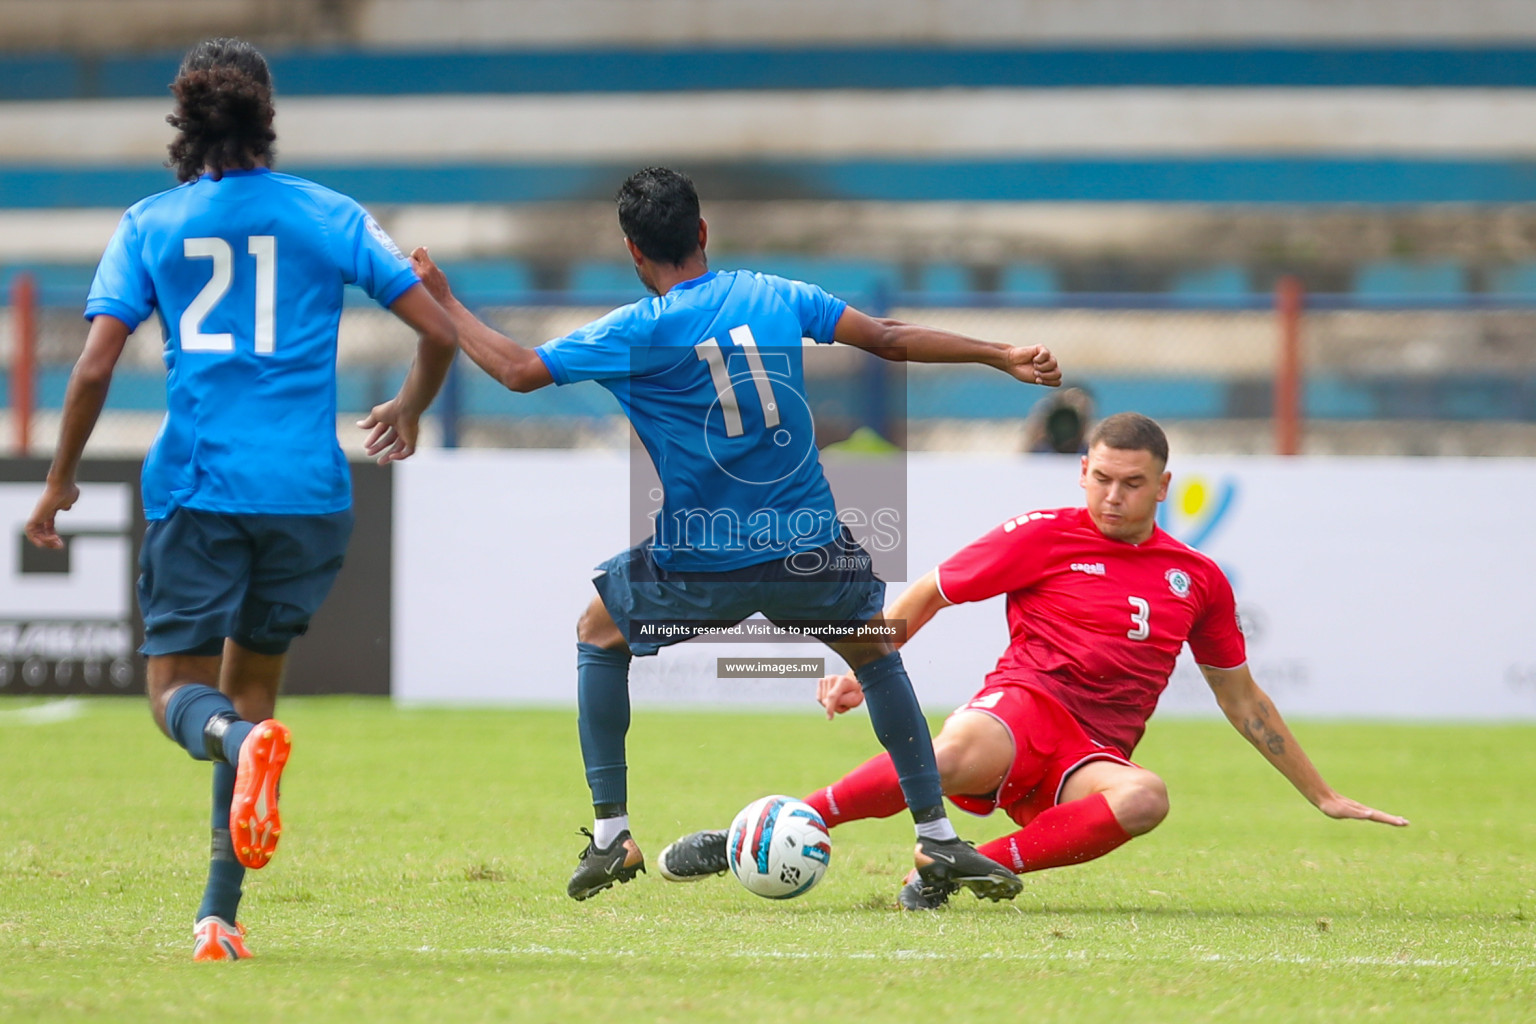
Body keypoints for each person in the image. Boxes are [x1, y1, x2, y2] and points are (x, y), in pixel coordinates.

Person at [408, 166, 1063, 903]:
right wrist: (998, 354)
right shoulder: (775, 294)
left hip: (704, 556)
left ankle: (611, 836)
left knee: (598, 632)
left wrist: (446, 302)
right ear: (702, 232)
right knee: (875, 653)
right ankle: (938, 839)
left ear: (633, 251)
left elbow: (518, 370)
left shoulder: (635, 329)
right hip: (811, 549)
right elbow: (886, 337)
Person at [24, 38, 457, 959]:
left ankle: (227, 745)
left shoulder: (150, 223)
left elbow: (96, 365)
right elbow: (440, 326)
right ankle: (218, 915)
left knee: (179, 694)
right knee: (254, 691)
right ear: (267, 116)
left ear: (185, 122)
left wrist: (60, 477)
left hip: (200, 487)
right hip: (308, 493)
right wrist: (411, 408)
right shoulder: (329, 214)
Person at [657, 412, 1408, 909]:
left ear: (1163, 487)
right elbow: (929, 594)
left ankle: (960, 863)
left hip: (1091, 751)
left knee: (1147, 799)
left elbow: (1244, 702)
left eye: (1133, 483)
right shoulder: (1042, 533)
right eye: (1101, 478)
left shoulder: (1198, 579)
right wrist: (862, 669)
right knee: (955, 752)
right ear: (1083, 471)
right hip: (1024, 702)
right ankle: (747, 838)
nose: (1113, 496)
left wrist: (1322, 794)